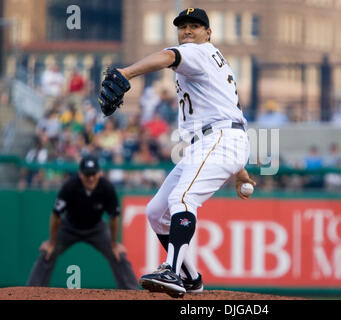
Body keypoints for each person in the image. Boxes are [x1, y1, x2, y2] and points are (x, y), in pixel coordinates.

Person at [98, 8, 256, 297]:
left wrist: (126, 72)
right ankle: (191, 277)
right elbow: (228, 111)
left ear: (208, 33)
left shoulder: (199, 52)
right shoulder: (213, 61)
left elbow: (168, 56)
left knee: (182, 198)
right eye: (182, 26)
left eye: (195, 26)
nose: (187, 31)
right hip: (214, 141)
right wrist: (240, 171)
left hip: (218, 139)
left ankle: (171, 270)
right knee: (157, 212)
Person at [26, 155, 139, 290]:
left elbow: (114, 218)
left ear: (100, 173)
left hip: (96, 228)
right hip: (69, 227)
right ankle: (32, 291)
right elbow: (56, 215)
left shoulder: (107, 188)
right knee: (48, 253)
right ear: (80, 174)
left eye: (94, 174)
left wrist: (114, 244)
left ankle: (133, 292)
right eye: (87, 174)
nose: (91, 178)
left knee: (118, 254)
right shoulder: (70, 186)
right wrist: (51, 242)